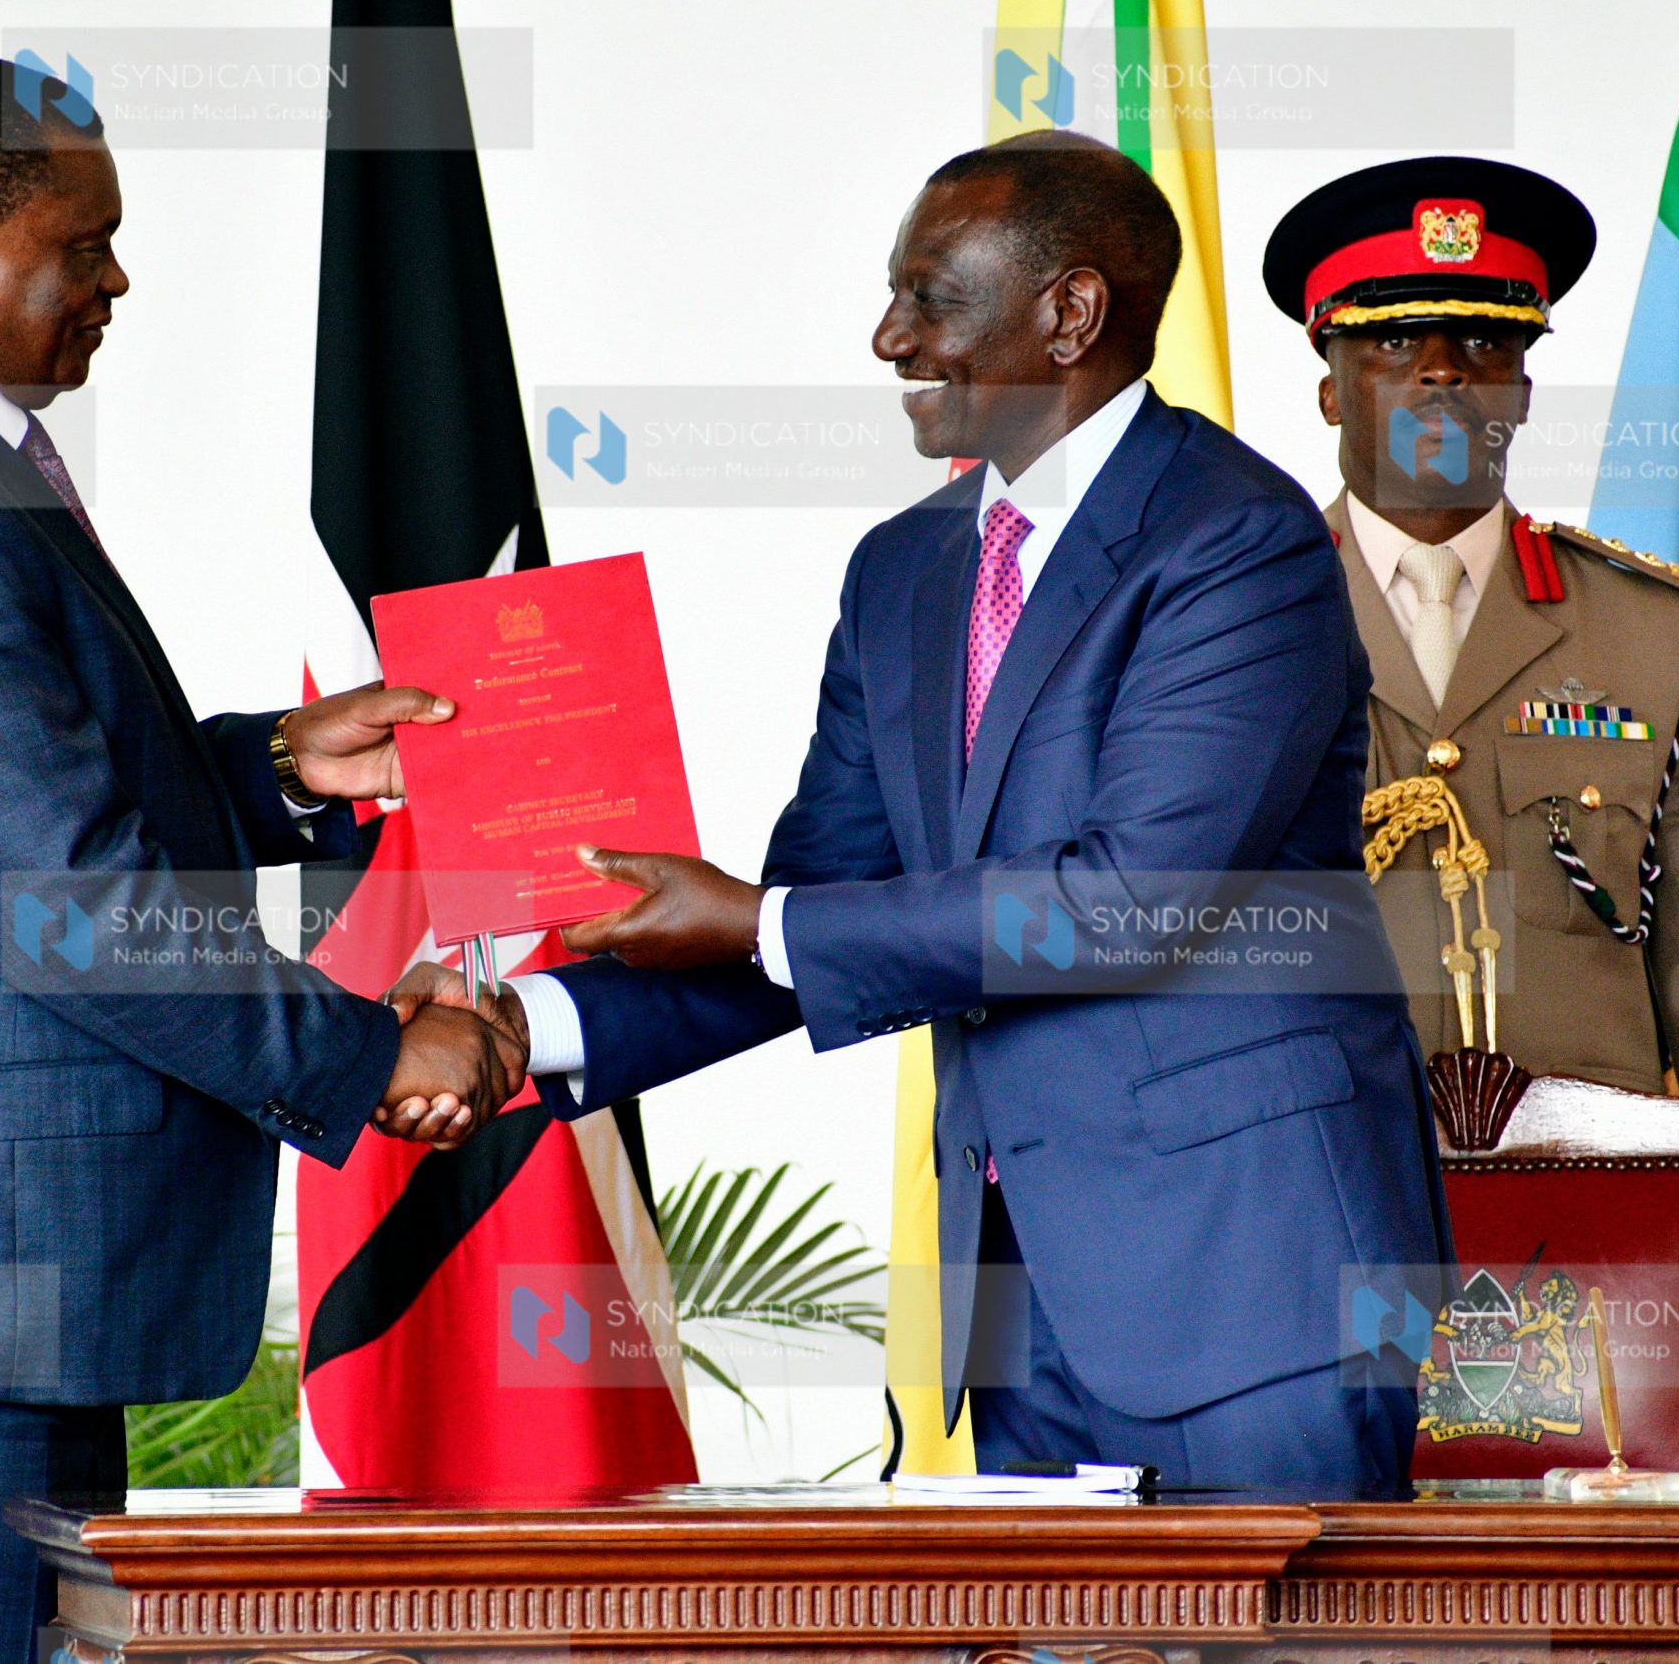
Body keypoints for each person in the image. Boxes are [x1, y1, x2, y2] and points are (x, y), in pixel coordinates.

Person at [405, 131, 1452, 1490]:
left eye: (930, 298)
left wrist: (764, 921)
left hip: (1253, 1285)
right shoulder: (902, 570)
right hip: (1019, 1303)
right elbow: (821, 908)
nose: (890, 338)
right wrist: (524, 1025)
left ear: (1071, 313)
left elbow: (1129, 901)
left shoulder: (1236, 539)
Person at [0, 52, 520, 1664]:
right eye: (85, 245)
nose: (117, 281)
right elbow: (67, 904)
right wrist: (371, 1051)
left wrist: (278, 763)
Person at [1259, 154, 1679, 1468]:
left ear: (1525, 389)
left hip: (1595, 1272)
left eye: (1484, 347)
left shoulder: (1652, 636)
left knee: (1575, 1577)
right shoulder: (1227, 625)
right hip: (1299, 1252)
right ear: (1329, 383)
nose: (1443, 375)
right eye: (1396, 346)